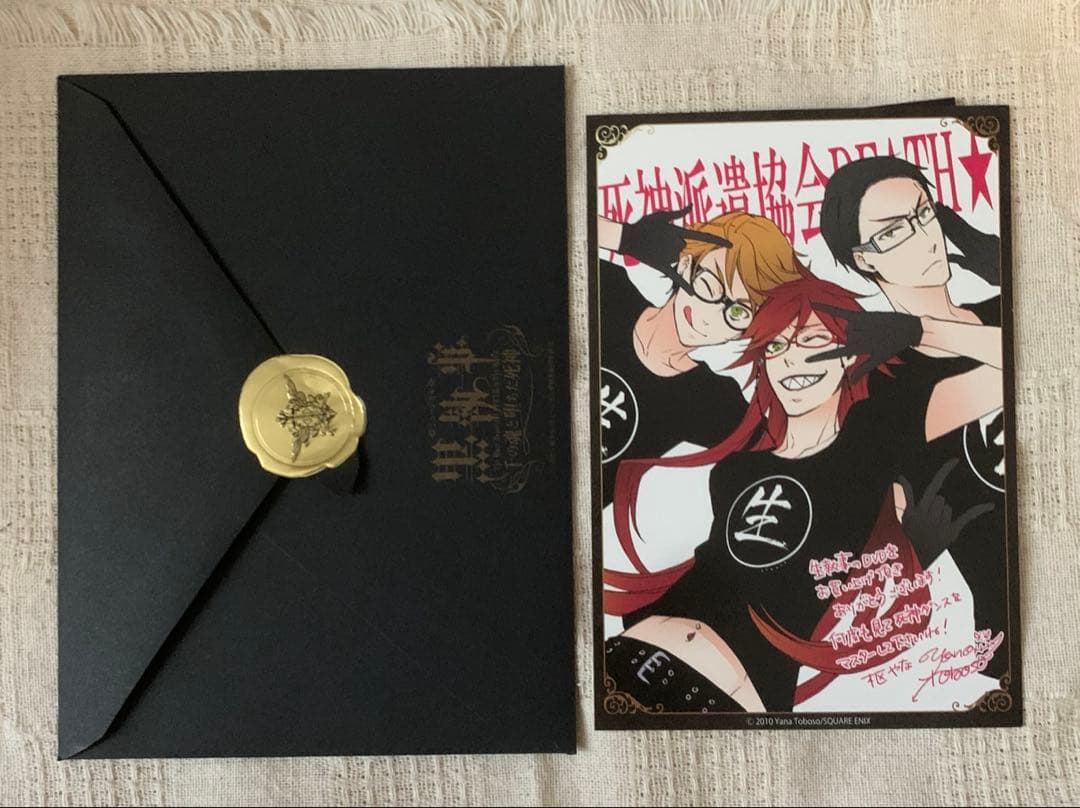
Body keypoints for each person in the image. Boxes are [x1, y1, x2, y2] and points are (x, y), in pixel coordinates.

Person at [603, 275, 1000, 713]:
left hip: (724, 697)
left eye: (812, 341)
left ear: (850, 355)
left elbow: (1011, 365)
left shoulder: (879, 436)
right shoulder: (741, 461)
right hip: (629, 654)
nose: (791, 360)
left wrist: (919, 330)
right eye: (775, 346)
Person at [817, 155, 1009, 679]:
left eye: (925, 213)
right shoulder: (886, 389)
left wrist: (928, 327)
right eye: (893, 231)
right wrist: (920, 333)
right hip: (1014, 638)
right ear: (864, 259)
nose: (925, 237)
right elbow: (1029, 372)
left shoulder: (1003, 310)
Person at [597, 208, 805, 505]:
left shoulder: (712, 399)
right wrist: (625, 237)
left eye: (737, 312)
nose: (710, 314)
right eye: (710, 284)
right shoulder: (608, 288)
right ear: (685, 263)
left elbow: (788, 460)